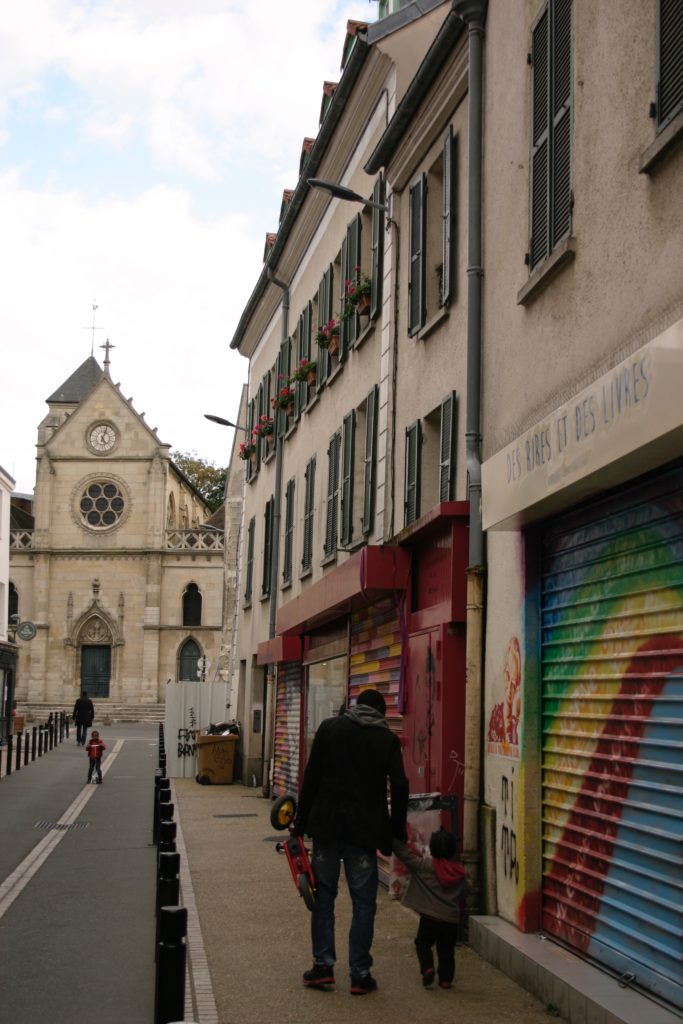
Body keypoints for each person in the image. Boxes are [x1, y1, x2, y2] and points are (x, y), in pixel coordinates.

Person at [294, 688, 409, 996]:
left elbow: (311, 777)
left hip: (327, 830)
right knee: (363, 902)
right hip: (364, 834)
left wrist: (300, 823)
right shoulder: (386, 740)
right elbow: (400, 785)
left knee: (324, 896)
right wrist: (396, 833)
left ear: (356, 707)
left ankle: (323, 967)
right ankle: (359, 973)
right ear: (382, 714)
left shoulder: (330, 729)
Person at [392, 828, 472, 990]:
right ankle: (446, 980)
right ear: (452, 851)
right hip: (450, 921)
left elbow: (406, 856)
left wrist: (393, 839)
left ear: (433, 848)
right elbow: (467, 889)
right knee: (447, 950)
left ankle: (428, 968)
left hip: (429, 919)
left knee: (423, 943)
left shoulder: (424, 865)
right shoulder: (459, 873)